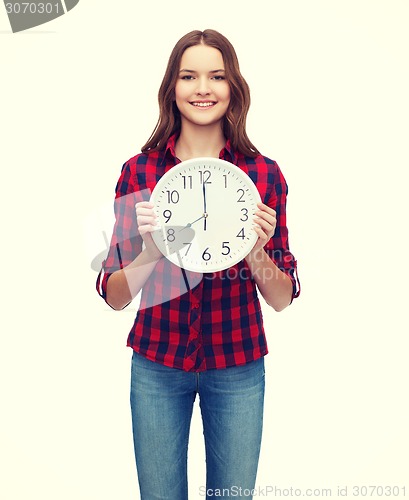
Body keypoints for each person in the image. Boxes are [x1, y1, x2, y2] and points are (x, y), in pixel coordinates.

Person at [96, 29, 300, 500]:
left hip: (238, 364)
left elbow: (283, 298)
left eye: (217, 76)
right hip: (157, 363)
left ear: (234, 89)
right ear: (172, 88)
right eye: (189, 76)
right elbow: (114, 294)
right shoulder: (140, 171)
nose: (203, 88)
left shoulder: (263, 174)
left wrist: (255, 249)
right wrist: (150, 248)